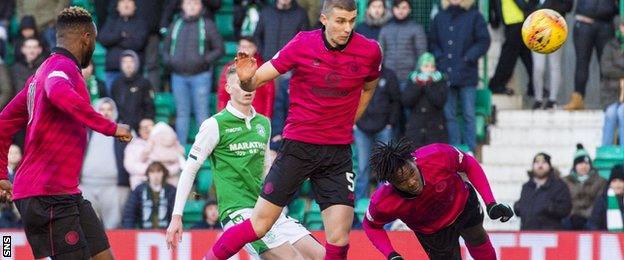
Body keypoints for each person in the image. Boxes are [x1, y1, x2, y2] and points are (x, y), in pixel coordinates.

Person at [197, 1, 383, 258]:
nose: (347, 28)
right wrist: (246, 78)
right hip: (299, 146)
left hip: (337, 152)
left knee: (339, 239)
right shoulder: (302, 44)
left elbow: (369, 86)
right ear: (324, 19)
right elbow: (256, 81)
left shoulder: (370, 50)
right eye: (340, 21)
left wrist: (351, 118)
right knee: (259, 225)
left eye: (352, 20)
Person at [0, 7, 132, 260]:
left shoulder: (38, 75)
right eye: (93, 40)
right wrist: (110, 127)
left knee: (104, 256)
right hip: (47, 196)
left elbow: (3, 122)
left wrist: (1, 173)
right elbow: (58, 91)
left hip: (64, 193)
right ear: (86, 37)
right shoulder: (62, 69)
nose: (94, 47)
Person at [166, 67, 324, 259]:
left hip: (267, 210)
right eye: (241, 84)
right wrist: (176, 216)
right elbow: (190, 169)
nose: (247, 88)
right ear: (228, 88)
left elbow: (267, 169)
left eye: (250, 83)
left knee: (321, 255)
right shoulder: (215, 125)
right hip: (238, 212)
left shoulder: (263, 123)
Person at [363, 139, 513, 259]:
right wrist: (391, 254)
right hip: (432, 232)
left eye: (411, 173)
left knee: (477, 237)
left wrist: (491, 203)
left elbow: (469, 164)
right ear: (391, 182)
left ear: (414, 161)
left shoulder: (438, 154)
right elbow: (370, 226)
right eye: (402, 181)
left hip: (462, 203)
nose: (411, 182)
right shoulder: (383, 201)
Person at [430, 0, 490, 153]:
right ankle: (455, 150)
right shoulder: (439, 17)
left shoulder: (475, 16)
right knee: (449, 115)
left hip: (467, 74)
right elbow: (432, 42)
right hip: (446, 74)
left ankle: (470, 150)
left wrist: (468, 57)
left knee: (468, 114)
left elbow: (484, 41)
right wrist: (440, 59)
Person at [162, 0, 224, 144]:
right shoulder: (176, 24)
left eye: (195, 3)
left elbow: (220, 49)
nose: (191, 6)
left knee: (202, 114)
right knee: (182, 114)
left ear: (201, 6)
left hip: (201, 76)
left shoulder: (207, 24)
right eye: (188, 3)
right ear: (182, 6)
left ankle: (204, 149)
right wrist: (170, 62)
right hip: (178, 77)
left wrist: (203, 61)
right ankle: (179, 152)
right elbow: (165, 49)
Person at [81, 98, 131, 229]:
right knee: (87, 226)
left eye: (109, 109)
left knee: (113, 225)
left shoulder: (123, 131)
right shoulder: (85, 130)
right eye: (102, 109)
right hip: (86, 185)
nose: (106, 113)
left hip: (113, 186)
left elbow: (134, 153)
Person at [354, 65, 400, 201]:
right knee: (363, 166)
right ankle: (358, 201)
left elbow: (395, 100)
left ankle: (384, 199)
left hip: (383, 127)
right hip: (361, 127)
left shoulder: (389, 75)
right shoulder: (357, 73)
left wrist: (390, 123)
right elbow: (350, 98)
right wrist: (354, 122)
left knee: (385, 165)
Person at [563, 0, 617, 110]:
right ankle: (578, 98)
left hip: (606, 24)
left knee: (606, 65)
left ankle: (609, 100)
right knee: (581, 62)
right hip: (584, 22)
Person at [97, 0, 149, 93]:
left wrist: (114, 41)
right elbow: (103, 39)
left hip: (134, 74)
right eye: (122, 2)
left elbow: (138, 43)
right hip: (113, 71)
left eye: (129, 2)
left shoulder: (141, 23)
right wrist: (121, 35)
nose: (126, 5)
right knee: (112, 105)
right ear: (117, 7)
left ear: (135, 6)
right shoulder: (111, 21)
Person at [217, 36, 275, 118]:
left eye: (249, 47)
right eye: (243, 46)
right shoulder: (229, 68)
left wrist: (267, 116)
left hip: (257, 115)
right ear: (238, 48)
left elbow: (269, 95)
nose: (246, 50)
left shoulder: (263, 68)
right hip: (234, 115)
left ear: (255, 48)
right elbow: (222, 94)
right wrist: (221, 115)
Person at [529, 0, 572, 109]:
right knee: (538, 67)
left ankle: (553, 99)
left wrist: (549, 12)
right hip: (536, 30)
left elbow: (568, 6)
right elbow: (527, 6)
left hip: (555, 30)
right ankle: (538, 98)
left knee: (555, 65)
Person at [514, 153, 572, 230]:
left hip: (550, 234)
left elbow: (565, 209)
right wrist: (518, 207)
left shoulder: (559, 186)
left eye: (544, 162)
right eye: (537, 163)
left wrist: (549, 208)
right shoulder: (527, 187)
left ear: (549, 166)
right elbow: (522, 206)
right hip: (527, 233)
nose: (540, 166)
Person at [402, 52, 448, 148]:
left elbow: (440, 101)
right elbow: (406, 101)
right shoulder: (413, 80)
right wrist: (418, 86)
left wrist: (428, 86)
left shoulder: (440, 81)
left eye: (432, 66)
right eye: (426, 66)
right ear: (420, 67)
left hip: (435, 130)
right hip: (415, 130)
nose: (429, 69)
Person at [488, 0, 534, 96]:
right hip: (515, 19)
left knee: (527, 55)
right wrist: (528, 8)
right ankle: (496, 84)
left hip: (518, 19)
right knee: (509, 55)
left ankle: (534, 86)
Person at [562, 144, 608, 230]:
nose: (584, 166)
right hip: (571, 218)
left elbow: (599, 203)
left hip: (591, 219)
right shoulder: (565, 182)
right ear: (575, 166)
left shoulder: (601, 181)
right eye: (580, 163)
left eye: (586, 163)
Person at [122, 161, 176, 229]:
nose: (155, 175)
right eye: (152, 172)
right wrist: (129, 233)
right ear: (148, 174)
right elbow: (129, 214)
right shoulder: (139, 190)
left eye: (158, 171)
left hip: (167, 232)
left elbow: (175, 213)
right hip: (143, 232)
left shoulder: (171, 191)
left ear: (163, 173)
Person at [110, 50, 155, 132]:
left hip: (140, 127)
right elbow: (113, 105)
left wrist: (145, 123)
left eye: (131, 62)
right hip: (121, 127)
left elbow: (149, 106)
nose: (128, 65)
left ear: (136, 63)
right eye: (124, 62)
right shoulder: (116, 83)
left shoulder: (144, 83)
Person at [600, 19, 624, 147]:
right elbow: (606, 69)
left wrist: (617, 67)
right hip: (611, 94)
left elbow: (611, 69)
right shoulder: (610, 46)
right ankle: (606, 151)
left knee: (622, 113)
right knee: (611, 114)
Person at [588, 164, 624, 231]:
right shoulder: (602, 201)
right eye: (614, 181)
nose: (618, 185)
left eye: (621, 181)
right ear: (610, 183)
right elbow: (594, 224)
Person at [124, 118, 156, 189]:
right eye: (144, 127)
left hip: (160, 185)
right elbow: (130, 166)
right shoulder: (132, 146)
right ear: (139, 130)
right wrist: (153, 170)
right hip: (138, 185)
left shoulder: (162, 144)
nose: (147, 129)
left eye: (150, 126)